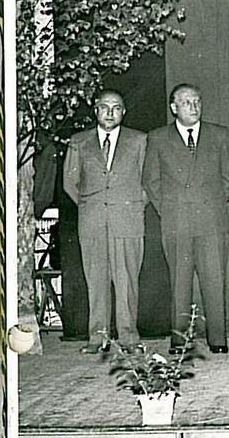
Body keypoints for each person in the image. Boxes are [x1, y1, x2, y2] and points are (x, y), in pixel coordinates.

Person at [143, 83, 229, 354]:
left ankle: (218, 339)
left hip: (211, 221)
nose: (193, 107)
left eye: (197, 101)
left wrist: (210, 204)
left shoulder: (219, 135)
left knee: (214, 280)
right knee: (179, 283)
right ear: (174, 108)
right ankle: (179, 339)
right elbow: (151, 180)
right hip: (176, 221)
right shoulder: (158, 138)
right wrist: (172, 208)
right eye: (186, 102)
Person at [64, 90, 148, 353]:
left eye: (116, 108)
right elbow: (70, 183)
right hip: (92, 223)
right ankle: (97, 338)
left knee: (127, 283)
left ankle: (129, 339)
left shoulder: (139, 140)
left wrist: (131, 205)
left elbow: (149, 182)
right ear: (95, 110)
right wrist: (92, 206)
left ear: (124, 112)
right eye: (104, 107)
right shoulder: (79, 142)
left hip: (128, 221)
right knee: (96, 282)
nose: (110, 113)